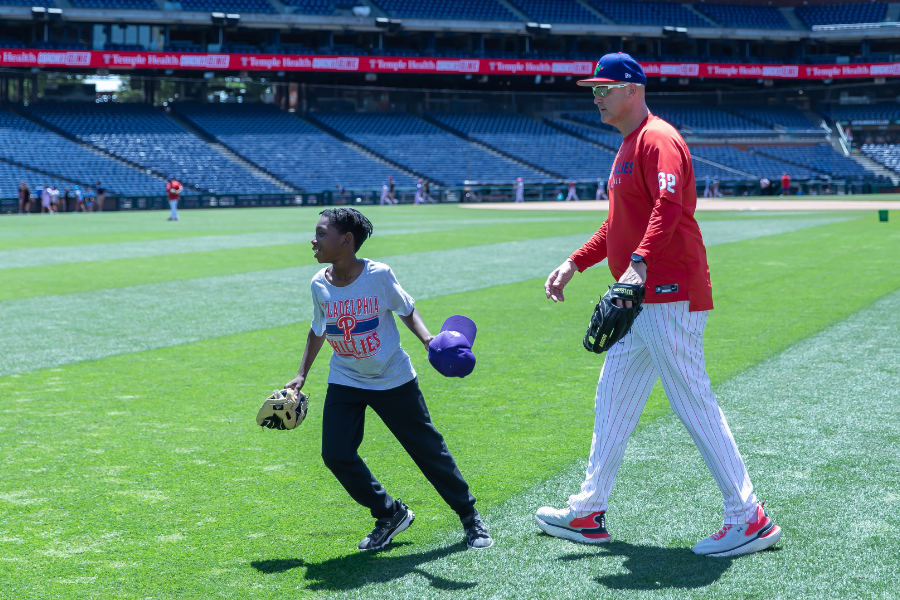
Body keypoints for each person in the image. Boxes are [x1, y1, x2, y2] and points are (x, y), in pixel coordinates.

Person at [538, 52, 781, 558]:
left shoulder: (657, 138)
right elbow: (617, 226)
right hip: (640, 299)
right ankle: (588, 511)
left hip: (669, 291)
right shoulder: (627, 146)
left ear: (632, 89)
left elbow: (669, 207)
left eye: (604, 88)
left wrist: (642, 263)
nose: (597, 97)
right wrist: (574, 263)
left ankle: (748, 516)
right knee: (613, 400)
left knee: (692, 400)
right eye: (594, 90)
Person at [284, 207, 493, 552]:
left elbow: (406, 309)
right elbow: (318, 328)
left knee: (427, 450)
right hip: (346, 378)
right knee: (336, 454)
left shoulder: (379, 275)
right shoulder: (318, 283)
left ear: (346, 240)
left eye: (322, 234)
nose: (314, 240)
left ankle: (469, 516)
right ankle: (389, 513)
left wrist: (428, 340)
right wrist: (301, 373)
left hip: (392, 377)